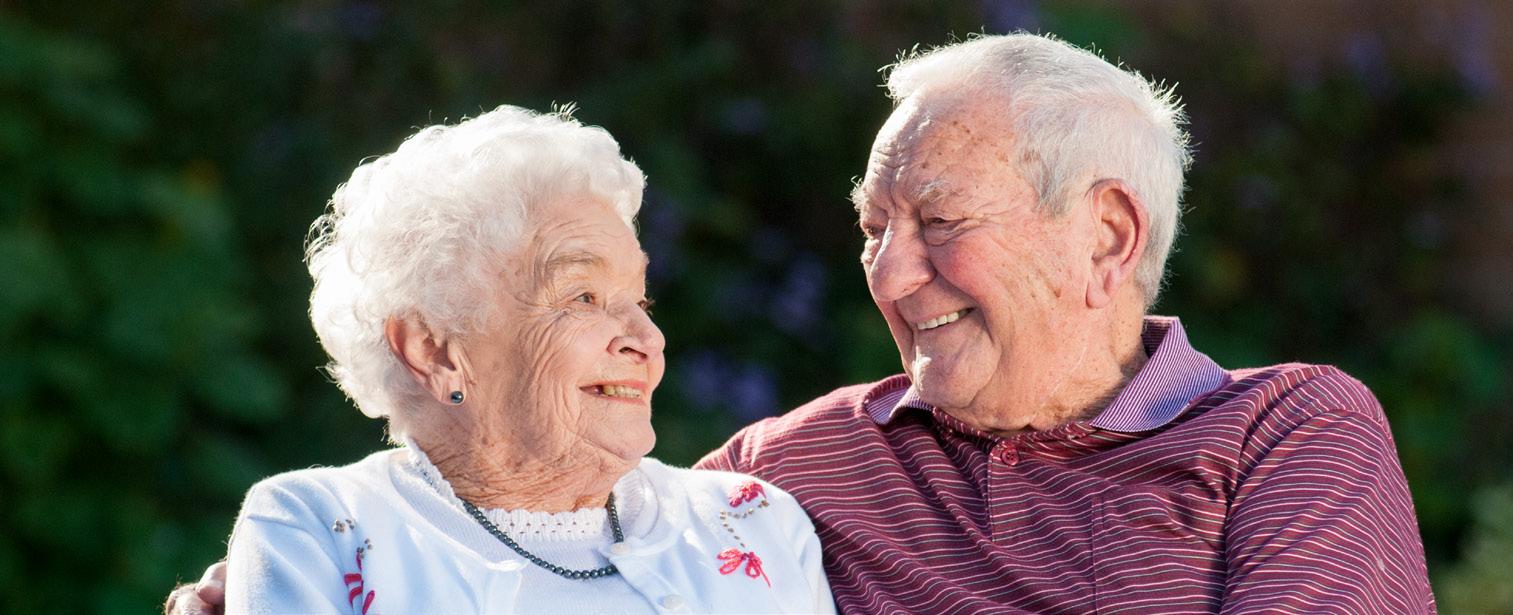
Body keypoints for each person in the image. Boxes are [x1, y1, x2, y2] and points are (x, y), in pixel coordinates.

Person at [170, 33, 1435, 614]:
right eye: (872, 227)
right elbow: (556, 523)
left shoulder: (1285, 433)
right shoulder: (785, 476)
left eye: (936, 221)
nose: (889, 272)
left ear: (1104, 235)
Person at [176, 105, 833, 614]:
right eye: (583, 296)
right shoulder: (319, 529)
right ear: (434, 350)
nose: (647, 338)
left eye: (640, 298)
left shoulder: (754, 523)